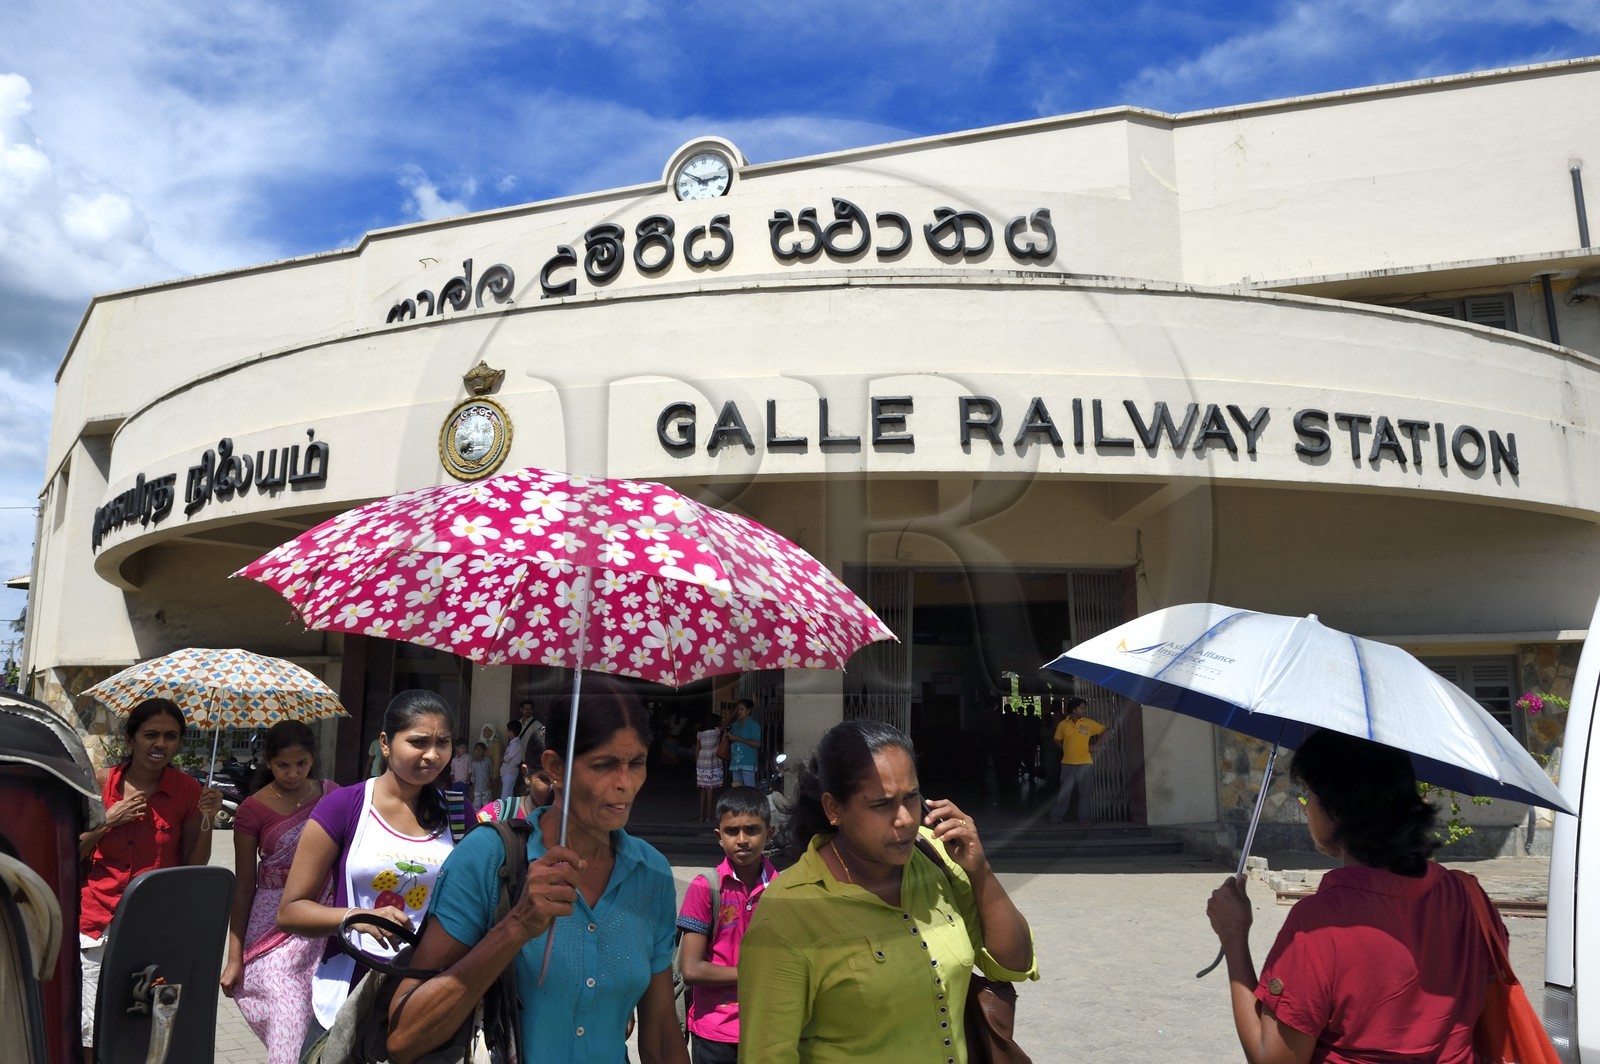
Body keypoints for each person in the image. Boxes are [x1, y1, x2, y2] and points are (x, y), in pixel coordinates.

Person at [385, 677, 688, 1064]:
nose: (625, 784)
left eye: (637, 763)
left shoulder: (652, 874)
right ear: (554, 768)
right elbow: (404, 1036)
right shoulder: (488, 858)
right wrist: (517, 926)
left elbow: (661, 1034)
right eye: (604, 765)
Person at [739, 719, 1036, 1063]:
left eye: (911, 798)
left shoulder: (935, 856)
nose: (906, 819)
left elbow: (1013, 965)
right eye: (881, 804)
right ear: (834, 809)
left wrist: (980, 870)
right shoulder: (786, 914)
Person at [1206, 729, 1509, 1063]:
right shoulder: (1468, 897)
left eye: (1308, 795)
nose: (1305, 809)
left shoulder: (1319, 924)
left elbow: (1272, 1057)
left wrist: (1234, 937)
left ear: (1336, 809)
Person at [277, 690, 457, 1050]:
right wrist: (357, 915)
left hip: (429, 992)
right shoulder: (344, 806)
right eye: (418, 742)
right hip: (349, 991)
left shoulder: (459, 812)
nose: (433, 755)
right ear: (385, 744)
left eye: (444, 742)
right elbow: (291, 911)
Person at [77, 698, 224, 1063]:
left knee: (143, 1024)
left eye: (171, 737)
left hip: (157, 927)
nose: (161, 744)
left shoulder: (187, 791)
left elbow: (194, 864)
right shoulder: (98, 784)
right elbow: (69, 853)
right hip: (96, 923)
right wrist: (108, 821)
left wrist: (207, 818)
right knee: (89, 1029)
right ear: (131, 739)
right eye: (151, 735)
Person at [220, 720, 336, 1063]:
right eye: (283, 765)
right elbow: (243, 887)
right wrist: (233, 957)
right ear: (268, 763)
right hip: (273, 919)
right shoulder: (252, 810)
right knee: (285, 1001)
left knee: (319, 1005)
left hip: (325, 913)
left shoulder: (333, 795)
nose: (292, 773)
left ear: (312, 759)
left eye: (301, 764)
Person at [677, 786, 776, 1064]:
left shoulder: (784, 889)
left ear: (770, 833)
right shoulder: (706, 887)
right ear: (719, 837)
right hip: (714, 1032)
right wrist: (754, 972)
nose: (742, 840)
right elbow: (691, 969)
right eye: (732, 831)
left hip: (769, 1028)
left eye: (752, 830)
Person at [1048, 697, 1104, 826]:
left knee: (1085, 792)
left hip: (1085, 763)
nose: (1084, 710)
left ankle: (1084, 818)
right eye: (1082, 707)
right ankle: (1057, 816)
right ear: (1074, 709)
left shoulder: (1089, 723)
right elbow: (1056, 739)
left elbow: (1106, 730)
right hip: (1067, 763)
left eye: (1084, 707)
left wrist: (1095, 745)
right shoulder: (1063, 724)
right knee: (1064, 792)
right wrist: (1066, 748)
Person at [476, 760, 554, 823]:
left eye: (564, 780)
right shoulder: (493, 816)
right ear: (527, 775)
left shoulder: (563, 828)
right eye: (546, 779)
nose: (555, 787)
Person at [694, 710, 725, 822]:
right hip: (712, 763)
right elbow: (727, 722)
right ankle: (708, 816)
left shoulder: (700, 734)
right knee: (710, 789)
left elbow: (697, 750)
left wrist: (697, 763)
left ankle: (701, 816)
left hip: (702, 762)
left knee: (703, 789)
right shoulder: (716, 732)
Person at [727, 699, 761, 789]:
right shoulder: (734, 725)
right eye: (738, 709)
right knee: (737, 790)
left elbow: (757, 744)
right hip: (735, 762)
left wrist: (738, 739)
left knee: (749, 790)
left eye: (742, 709)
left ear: (748, 711)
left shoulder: (754, 725)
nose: (739, 712)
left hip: (748, 763)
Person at [500, 719, 524, 800]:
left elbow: (507, 758)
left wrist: (501, 759)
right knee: (508, 794)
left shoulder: (516, 744)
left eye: (508, 730)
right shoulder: (513, 743)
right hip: (508, 771)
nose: (506, 732)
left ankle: (504, 811)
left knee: (505, 795)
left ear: (511, 731)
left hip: (510, 772)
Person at [470, 741, 494, 810]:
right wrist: (472, 790)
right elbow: (473, 777)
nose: (478, 752)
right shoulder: (474, 763)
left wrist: (491, 782)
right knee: (476, 806)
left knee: (486, 806)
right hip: (477, 789)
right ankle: (476, 820)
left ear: (484, 751)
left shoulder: (488, 761)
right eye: (476, 750)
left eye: (480, 750)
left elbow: (491, 772)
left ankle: (486, 820)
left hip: (486, 788)